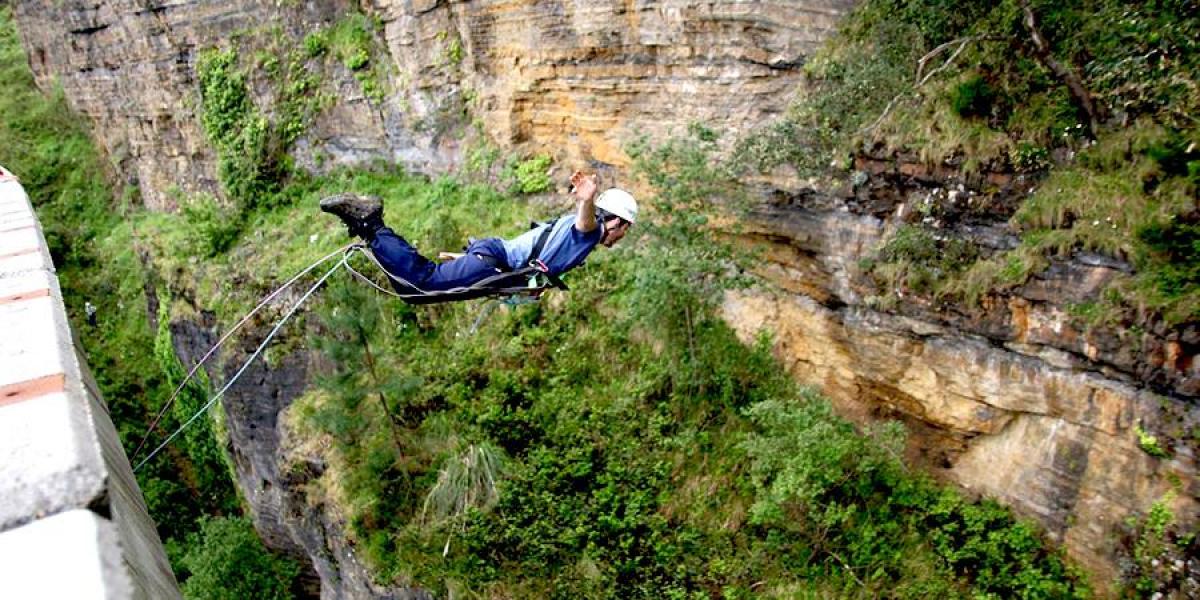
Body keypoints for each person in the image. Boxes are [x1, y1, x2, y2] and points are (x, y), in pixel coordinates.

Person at [319, 171, 637, 296]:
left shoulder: (577, 241)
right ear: (618, 222)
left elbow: (528, 257)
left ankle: (369, 229)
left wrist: (468, 263)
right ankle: (371, 224)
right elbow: (587, 225)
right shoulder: (589, 232)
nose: (622, 237)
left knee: (412, 292)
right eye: (626, 230)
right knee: (420, 285)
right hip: (492, 264)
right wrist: (587, 199)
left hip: (490, 266)